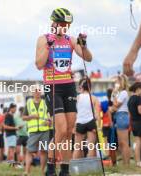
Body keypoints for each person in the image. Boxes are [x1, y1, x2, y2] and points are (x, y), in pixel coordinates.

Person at [35, 8, 93, 176]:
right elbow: (39, 64)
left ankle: (65, 169)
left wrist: (84, 45)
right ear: (54, 22)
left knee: (68, 131)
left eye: (67, 25)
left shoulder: (70, 40)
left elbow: (88, 58)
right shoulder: (43, 39)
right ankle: (51, 167)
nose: (65, 28)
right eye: (62, 24)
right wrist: (48, 46)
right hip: (52, 86)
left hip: (68, 86)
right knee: (60, 129)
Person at [23, 87, 51, 176]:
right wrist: (32, 116)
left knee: (44, 151)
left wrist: (49, 121)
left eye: (39, 90)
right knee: (29, 151)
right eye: (35, 91)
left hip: (45, 130)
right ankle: (27, 171)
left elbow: (51, 116)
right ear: (32, 93)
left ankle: (42, 172)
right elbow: (24, 117)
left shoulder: (45, 102)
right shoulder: (28, 103)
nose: (37, 92)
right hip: (33, 131)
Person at [73, 78, 100, 159]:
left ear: (82, 87)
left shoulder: (77, 98)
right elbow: (97, 115)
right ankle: (92, 167)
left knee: (77, 147)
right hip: (91, 122)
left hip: (79, 122)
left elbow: (75, 113)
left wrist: (74, 126)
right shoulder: (94, 98)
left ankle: (75, 167)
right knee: (91, 146)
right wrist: (97, 126)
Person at [109, 74, 131, 165]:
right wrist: (114, 93)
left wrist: (113, 106)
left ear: (121, 82)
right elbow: (113, 102)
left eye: (117, 81)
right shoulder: (120, 93)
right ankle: (125, 163)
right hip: (119, 116)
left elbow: (116, 104)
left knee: (124, 142)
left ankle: (127, 163)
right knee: (121, 143)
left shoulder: (123, 93)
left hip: (122, 116)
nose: (116, 83)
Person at [128, 82, 141, 167]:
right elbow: (140, 111)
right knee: (139, 142)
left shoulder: (130, 99)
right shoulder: (138, 98)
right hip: (140, 122)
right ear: (139, 88)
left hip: (134, 123)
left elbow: (129, 114)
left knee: (138, 142)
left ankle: (138, 162)